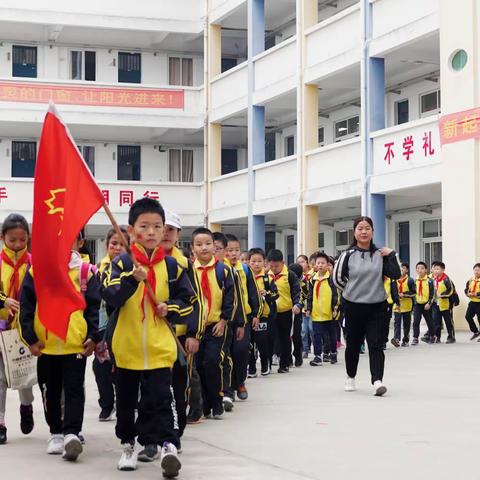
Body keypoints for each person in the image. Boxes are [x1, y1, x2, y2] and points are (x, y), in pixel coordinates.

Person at [101, 198, 194, 475]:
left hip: (159, 348)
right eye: (145, 226)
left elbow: (189, 301)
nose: (152, 232)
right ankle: (128, 445)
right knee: (127, 402)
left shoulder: (174, 267)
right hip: (126, 348)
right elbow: (110, 294)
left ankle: (168, 445)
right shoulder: (120, 264)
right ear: (131, 230)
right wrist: (132, 279)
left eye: (157, 226)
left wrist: (170, 307)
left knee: (161, 399)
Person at [19, 229, 101, 461]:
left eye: (69, 238)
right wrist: (31, 339)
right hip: (46, 346)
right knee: (50, 390)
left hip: (74, 345)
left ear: (80, 241)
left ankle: (72, 433)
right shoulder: (37, 272)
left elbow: (95, 308)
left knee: (75, 390)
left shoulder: (85, 272)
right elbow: (27, 306)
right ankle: (55, 432)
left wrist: (94, 337)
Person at [333, 216, 400, 397]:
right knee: (353, 344)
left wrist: (392, 254)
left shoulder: (380, 254)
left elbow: (395, 273)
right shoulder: (347, 255)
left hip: (377, 306)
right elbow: (337, 279)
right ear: (354, 232)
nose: (364, 232)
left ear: (372, 231)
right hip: (353, 306)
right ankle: (350, 376)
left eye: (367, 228)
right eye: (360, 228)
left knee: (376, 344)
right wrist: (352, 291)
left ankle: (377, 381)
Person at [160, 209, 204, 448]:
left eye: (171, 229)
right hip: (152, 339)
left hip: (177, 339)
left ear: (178, 234)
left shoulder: (185, 264)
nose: (165, 233)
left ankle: (176, 432)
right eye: (161, 228)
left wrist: (193, 334)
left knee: (179, 387)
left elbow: (196, 301)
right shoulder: (142, 262)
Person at [191, 228, 235, 419]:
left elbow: (230, 299)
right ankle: (204, 405)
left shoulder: (223, 270)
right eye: (199, 244)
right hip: (195, 328)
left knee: (212, 362)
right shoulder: (188, 270)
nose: (204, 248)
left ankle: (217, 401)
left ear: (214, 247)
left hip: (216, 326)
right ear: (193, 248)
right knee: (198, 366)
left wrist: (224, 321)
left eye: (208, 243)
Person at [0, 214, 35, 444]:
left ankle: (26, 406)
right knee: (0, 377)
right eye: (12, 240)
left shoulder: (33, 263)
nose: (17, 245)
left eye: (22, 240)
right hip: (2, 327)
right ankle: (1, 422)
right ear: (3, 238)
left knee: (24, 374)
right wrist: (3, 300)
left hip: (24, 329)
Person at [94, 227, 129, 423]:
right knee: (101, 367)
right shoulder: (97, 268)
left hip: (122, 325)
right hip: (101, 326)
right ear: (107, 245)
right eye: (114, 244)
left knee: (122, 367)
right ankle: (106, 404)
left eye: (122, 244)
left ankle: (125, 403)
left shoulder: (130, 269)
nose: (117, 248)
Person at [223, 234, 261, 402]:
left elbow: (253, 294)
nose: (233, 254)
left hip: (243, 318)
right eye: (229, 250)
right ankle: (228, 389)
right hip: (225, 319)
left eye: (236, 250)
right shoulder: (220, 269)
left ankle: (240, 382)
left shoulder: (244, 269)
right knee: (227, 353)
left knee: (241, 351)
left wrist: (255, 314)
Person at [268, 249, 301, 373]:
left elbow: (297, 291)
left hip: (286, 311)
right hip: (270, 312)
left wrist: (297, 304)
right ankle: (269, 363)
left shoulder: (290, 275)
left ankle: (285, 363)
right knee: (270, 338)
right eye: (271, 266)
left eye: (276, 266)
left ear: (283, 263)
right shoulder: (266, 275)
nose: (274, 268)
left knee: (285, 338)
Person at [248, 248, 278, 376]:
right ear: (249, 262)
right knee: (249, 344)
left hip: (264, 316)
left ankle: (265, 364)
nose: (256, 264)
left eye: (259, 261)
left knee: (262, 343)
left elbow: (276, 294)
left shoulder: (267, 279)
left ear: (264, 262)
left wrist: (267, 293)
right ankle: (252, 368)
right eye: (253, 261)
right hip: (249, 316)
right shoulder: (245, 278)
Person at [306, 253, 339, 366]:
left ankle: (333, 353)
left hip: (329, 313)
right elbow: (309, 296)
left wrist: (335, 308)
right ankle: (317, 356)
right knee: (316, 335)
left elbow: (335, 295)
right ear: (315, 265)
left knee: (331, 335)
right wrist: (308, 308)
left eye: (323, 263)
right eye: (318, 263)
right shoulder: (312, 280)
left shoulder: (331, 279)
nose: (320, 265)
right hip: (316, 313)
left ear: (327, 265)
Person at [391, 263, 416, 347]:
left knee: (406, 323)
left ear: (407, 270)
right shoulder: (394, 280)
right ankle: (397, 339)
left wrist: (404, 294)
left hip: (407, 306)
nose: (401, 270)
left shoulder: (410, 280)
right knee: (397, 323)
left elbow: (414, 293)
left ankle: (405, 340)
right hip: (397, 306)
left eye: (403, 268)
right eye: (400, 268)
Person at [431, 261, 455, 344]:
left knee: (448, 321)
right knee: (436, 321)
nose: (436, 271)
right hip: (436, 304)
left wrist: (442, 295)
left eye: (438, 269)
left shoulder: (446, 279)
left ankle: (451, 337)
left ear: (443, 270)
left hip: (446, 304)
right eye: (435, 269)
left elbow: (450, 290)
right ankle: (437, 337)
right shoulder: (434, 279)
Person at [412, 261, 435, 345]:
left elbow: (433, 294)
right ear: (416, 270)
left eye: (422, 268)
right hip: (417, 304)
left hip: (427, 304)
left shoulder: (430, 281)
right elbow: (413, 293)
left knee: (429, 321)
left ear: (426, 270)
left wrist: (429, 303)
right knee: (416, 321)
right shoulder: (414, 281)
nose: (420, 270)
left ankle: (432, 336)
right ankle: (415, 337)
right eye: (418, 268)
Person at [297, 255, 313, 358]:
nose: (300, 264)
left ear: (307, 263)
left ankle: (317, 349)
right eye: (298, 262)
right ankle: (305, 349)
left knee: (312, 329)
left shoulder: (313, 275)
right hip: (302, 307)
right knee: (303, 330)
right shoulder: (297, 277)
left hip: (312, 307)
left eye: (302, 262)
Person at [464, 263, 480, 341]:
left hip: (479, 302)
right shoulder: (471, 280)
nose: (477, 272)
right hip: (472, 302)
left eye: (478, 270)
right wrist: (467, 293)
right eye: (475, 270)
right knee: (468, 316)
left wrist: (476, 294)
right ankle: (476, 332)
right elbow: (466, 289)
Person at [383, 276, 399, 349]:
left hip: (388, 303)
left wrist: (397, 302)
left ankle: (383, 341)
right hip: (377, 302)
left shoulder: (391, 279)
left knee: (386, 323)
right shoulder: (376, 276)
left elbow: (394, 291)